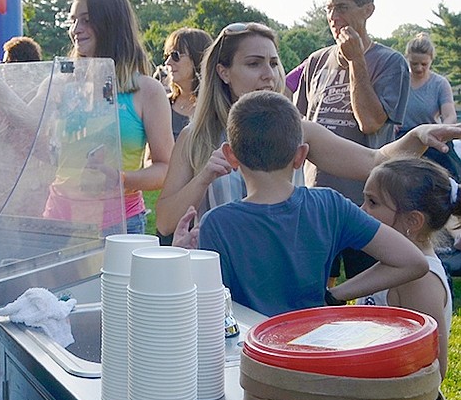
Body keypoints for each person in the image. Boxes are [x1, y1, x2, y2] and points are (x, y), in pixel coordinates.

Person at [156, 22, 461, 241]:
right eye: (254, 63)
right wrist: (204, 177)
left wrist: (417, 136)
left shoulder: (300, 132)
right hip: (219, 283)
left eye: (274, 63)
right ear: (223, 72)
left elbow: (374, 160)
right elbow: (166, 222)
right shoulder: (195, 137)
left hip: (288, 268)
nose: (269, 74)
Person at [0, 0, 173, 235]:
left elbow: (164, 169)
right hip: (59, 222)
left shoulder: (147, 91)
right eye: (73, 21)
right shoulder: (61, 81)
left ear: (112, 24)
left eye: (87, 20)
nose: (75, 29)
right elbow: (28, 120)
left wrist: (120, 179)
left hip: (119, 225)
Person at [198, 91, 427, 317]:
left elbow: (209, 309)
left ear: (230, 154)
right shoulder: (330, 206)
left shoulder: (216, 224)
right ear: (301, 156)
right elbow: (413, 261)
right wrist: (334, 295)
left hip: (252, 350)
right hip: (313, 346)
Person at [295, 0, 410, 278]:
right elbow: (299, 126)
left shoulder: (390, 63)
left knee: (367, 297)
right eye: (329, 9)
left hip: (369, 205)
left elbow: (370, 122)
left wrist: (356, 61)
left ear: (368, 10)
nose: (334, 17)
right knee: (317, 290)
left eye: (342, 8)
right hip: (317, 202)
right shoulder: (316, 62)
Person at [357, 158, 458, 379]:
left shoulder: (419, 281)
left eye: (372, 203)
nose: (361, 210)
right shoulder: (392, 261)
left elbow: (433, 369)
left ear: (413, 221)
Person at [399, 33, 459, 179]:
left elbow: (450, 115)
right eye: (414, 64)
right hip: (403, 138)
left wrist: (443, 129)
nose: (419, 68)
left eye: (424, 64)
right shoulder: (399, 81)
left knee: (448, 175)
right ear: (407, 59)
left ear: (431, 60)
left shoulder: (440, 84)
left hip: (432, 138)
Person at [162, 27, 213, 139]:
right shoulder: (163, 105)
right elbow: (150, 156)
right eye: (167, 56)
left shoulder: (216, 108)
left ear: (198, 58)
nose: (167, 62)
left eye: (175, 55)